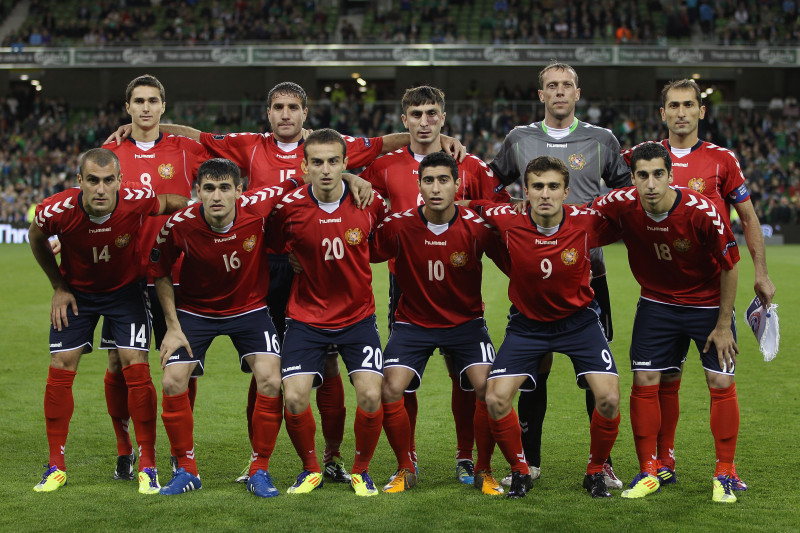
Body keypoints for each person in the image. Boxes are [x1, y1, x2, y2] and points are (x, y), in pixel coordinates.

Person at [105, 81, 462, 484]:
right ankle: (238, 461)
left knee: (320, 363)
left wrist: (431, 140)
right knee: (265, 370)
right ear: (269, 112)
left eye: (294, 107)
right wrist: (139, 128)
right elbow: (198, 136)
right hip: (259, 264)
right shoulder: (247, 145)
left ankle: (329, 458)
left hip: (309, 265)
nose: (286, 114)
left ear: (306, 114)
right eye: (278, 107)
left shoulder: (329, 146)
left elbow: (380, 143)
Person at [623, 78, 774, 489]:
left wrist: (760, 272)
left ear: (701, 111)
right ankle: (662, 460)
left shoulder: (722, 160)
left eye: (689, 105)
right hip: (657, 295)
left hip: (710, 295)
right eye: (673, 105)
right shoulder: (641, 158)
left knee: (721, 381)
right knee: (661, 379)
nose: (681, 112)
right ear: (663, 114)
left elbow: (747, 218)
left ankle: (727, 469)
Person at [488, 61, 630, 489]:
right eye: (552, 86)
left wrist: (596, 218)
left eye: (567, 85)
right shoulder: (519, 138)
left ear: (577, 92)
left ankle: (600, 464)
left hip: (590, 276)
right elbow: (492, 185)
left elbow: (625, 192)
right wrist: (511, 207)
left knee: (595, 379)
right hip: (534, 271)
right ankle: (529, 460)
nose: (560, 92)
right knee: (536, 372)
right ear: (541, 95)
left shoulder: (602, 140)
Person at [360, 85, 509, 485]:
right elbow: (362, 212)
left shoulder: (472, 166)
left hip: (460, 290)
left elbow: (501, 213)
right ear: (403, 119)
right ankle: (406, 461)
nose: (424, 121)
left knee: (465, 376)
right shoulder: (383, 166)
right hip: (406, 286)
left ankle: (467, 457)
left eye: (431, 114)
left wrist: (473, 208)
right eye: (416, 114)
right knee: (402, 382)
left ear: (443, 117)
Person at [28, 148, 186, 494]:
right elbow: (34, 238)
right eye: (93, 181)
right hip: (77, 294)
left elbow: (169, 202)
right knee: (61, 363)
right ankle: (56, 465)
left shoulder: (136, 199)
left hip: (124, 293)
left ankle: (147, 464)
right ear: (79, 181)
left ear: (119, 181)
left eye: (109, 181)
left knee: (135, 363)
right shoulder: (55, 211)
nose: (101, 189)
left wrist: (201, 212)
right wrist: (58, 286)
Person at [592, 142, 742, 503]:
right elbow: (578, 222)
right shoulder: (619, 203)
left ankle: (725, 472)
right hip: (657, 303)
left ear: (671, 176)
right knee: (648, 379)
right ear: (632, 178)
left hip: (706, 305)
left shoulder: (700, 210)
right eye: (642, 175)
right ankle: (652, 467)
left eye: (659, 174)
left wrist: (723, 325)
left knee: (720, 380)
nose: (651, 183)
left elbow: (731, 265)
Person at [469, 155, 621, 499]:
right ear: (526, 191)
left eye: (553, 186)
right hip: (528, 325)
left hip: (579, 322)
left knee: (609, 398)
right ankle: (521, 471)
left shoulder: (588, 221)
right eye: (537, 186)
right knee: (495, 399)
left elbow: (634, 217)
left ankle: (596, 471)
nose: (545, 193)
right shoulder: (506, 217)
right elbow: (461, 205)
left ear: (566, 191)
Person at [150, 158, 301, 497]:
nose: (216, 196)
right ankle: (187, 469)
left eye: (224, 188)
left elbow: (303, 177)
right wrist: (173, 328)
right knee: (173, 379)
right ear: (197, 192)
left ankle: (259, 470)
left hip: (249, 309)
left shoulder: (258, 207)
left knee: (271, 378)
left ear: (239, 191)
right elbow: (159, 271)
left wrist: (354, 178)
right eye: (208, 188)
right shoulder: (179, 223)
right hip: (195, 312)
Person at [100, 74, 211, 481]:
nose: (146, 108)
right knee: (118, 363)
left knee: (182, 362)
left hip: (178, 270)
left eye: (153, 101)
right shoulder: (109, 153)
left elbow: (229, 160)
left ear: (164, 106)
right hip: (124, 273)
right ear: (127, 108)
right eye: (138, 101)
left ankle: (181, 451)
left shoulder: (187, 149)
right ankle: (125, 449)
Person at [271, 129, 388, 497]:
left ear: (345, 164)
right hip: (306, 317)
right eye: (317, 162)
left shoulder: (370, 202)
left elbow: (381, 245)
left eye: (333, 162)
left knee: (371, 395)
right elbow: (274, 246)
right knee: (293, 396)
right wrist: (291, 257)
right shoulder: (288, 210)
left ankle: (360, 471)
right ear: (304, 166)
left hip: (357, 317)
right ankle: (310, 469)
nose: (325, 169)